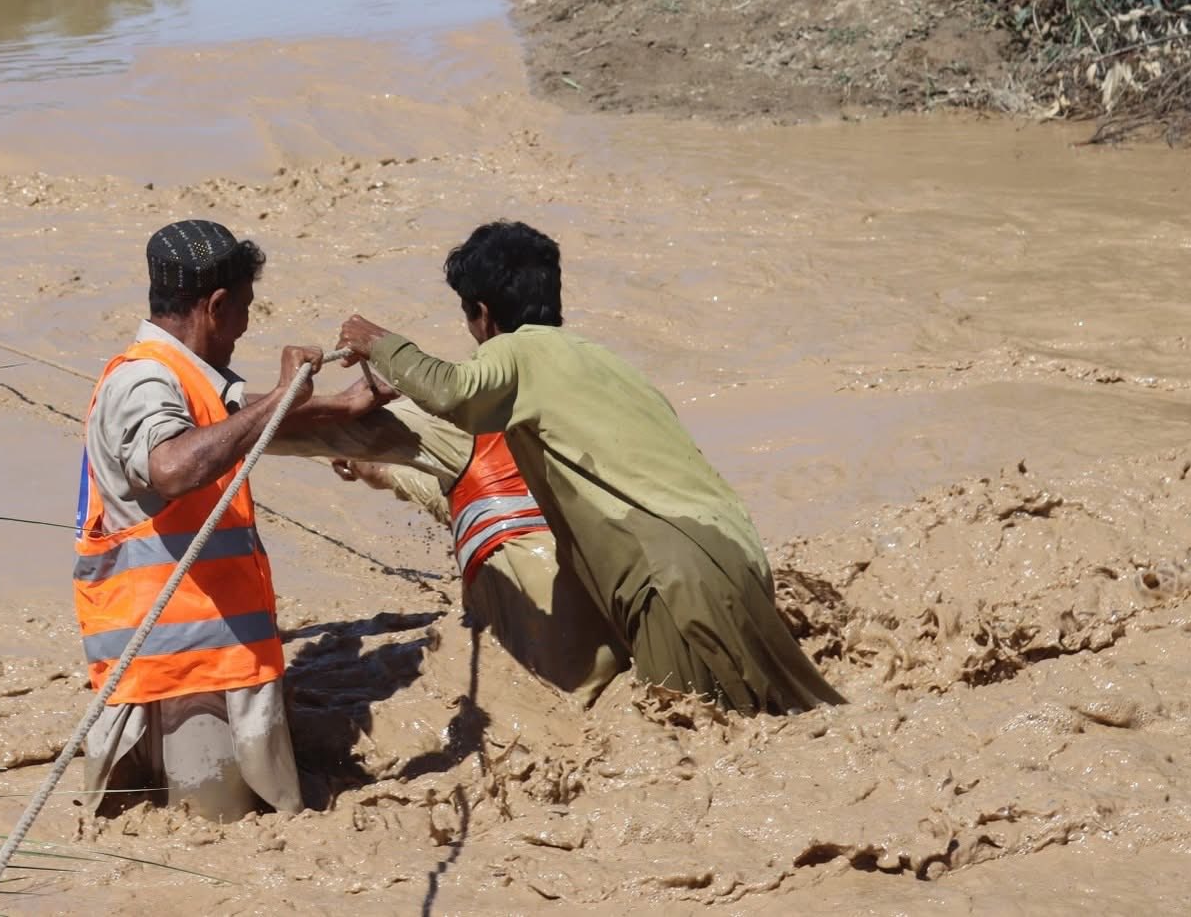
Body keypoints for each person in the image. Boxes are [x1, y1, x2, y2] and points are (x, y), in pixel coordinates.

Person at [337, 221, 843, 714]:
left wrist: (378, 342)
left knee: (687, 743)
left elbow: (452, 392)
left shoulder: (514, 352)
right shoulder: (608, 363)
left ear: (483, 315)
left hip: (670, 582)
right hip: (737, 556)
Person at [77, 219, 381, 820]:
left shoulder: (192, 379)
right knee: (218, 837)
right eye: (244, 309)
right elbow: (171, 466)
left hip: (208, 663)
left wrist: (347, 404)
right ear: (215, 306)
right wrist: (280, 397)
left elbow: (241, 417)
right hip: (183, 680)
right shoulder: (145, 380)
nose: (245, 326)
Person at [275, 397, 625, 704]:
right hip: (616, 653)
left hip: (552, 666)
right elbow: (442, 493)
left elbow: (319, 434)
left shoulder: (466, 450)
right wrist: (370, 468)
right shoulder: (574, 453)